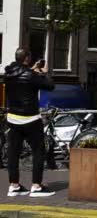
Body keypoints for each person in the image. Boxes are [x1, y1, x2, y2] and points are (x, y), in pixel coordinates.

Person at [4, 48, 55, 197]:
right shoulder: (31, 75)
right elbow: (50, 86)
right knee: (38, 151)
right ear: (26, 58)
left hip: (13, 118)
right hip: (30, 119)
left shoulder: (8, 73)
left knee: (13, 153)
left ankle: (13, 185)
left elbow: (22, 76)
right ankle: (36, 186)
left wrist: (31, 70)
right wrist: (43, 73)